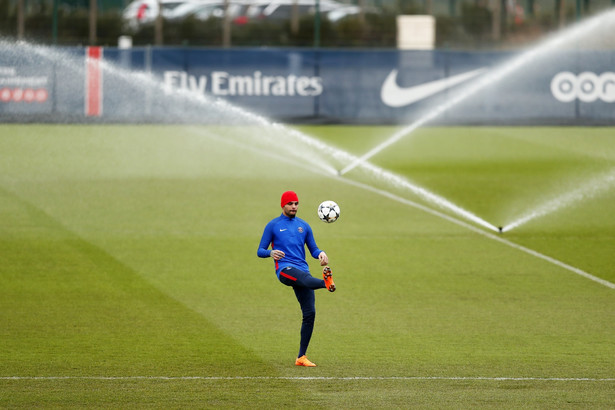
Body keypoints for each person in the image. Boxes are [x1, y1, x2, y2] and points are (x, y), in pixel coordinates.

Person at [257, 190, 335, 367]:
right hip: (285, 269)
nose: (294, 207)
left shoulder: (304, 226)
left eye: (296, 204)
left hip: (302, 269)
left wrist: (321, 254)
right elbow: (260, 250)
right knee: (308, 281)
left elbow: (313, 249)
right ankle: (326, 283)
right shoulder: (273, 225)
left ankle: (301, 357)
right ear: (283, 205)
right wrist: (271, 252)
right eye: (290, 204)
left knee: (310, 313)